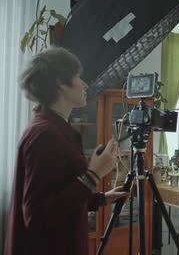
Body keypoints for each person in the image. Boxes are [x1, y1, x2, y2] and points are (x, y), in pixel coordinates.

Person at [3, 47, 129, 255]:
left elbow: (59, 191)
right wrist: (93, 174)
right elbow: (37, 217)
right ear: (60, 83)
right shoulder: (44, 135)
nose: (85, 84)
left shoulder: (55, 129)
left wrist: (100, 198)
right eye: (78, 77)